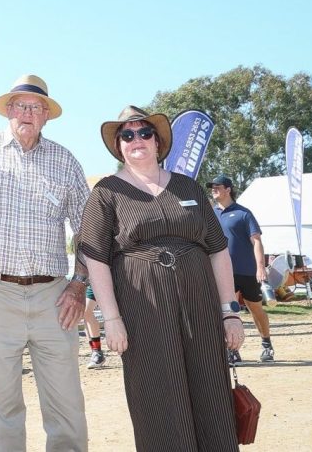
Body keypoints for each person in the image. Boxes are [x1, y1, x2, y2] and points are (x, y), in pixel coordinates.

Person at [78, 107, 243, 452]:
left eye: (144, 133)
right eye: (127, 135)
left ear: (158, 142)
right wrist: (111, 318)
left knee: (210, 388)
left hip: (199, 303)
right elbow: (95, 257)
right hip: (142, 307)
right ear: (119, 146)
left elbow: (217, 250)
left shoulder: (188, 187)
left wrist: (229, 312)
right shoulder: (106, 192)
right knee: (156, 392)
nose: (136, 139)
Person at [0, 74, 91, 452]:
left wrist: (79, 284)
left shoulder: (65, 161)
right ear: (8, 111)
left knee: (65, 402)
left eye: (35, 107)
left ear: (47, 115)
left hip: (54, 296)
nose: (27, 113)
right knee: (3, 403)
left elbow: (89, 230)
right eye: (19, 105)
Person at [206, 175, 275, 362]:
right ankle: (233, 350)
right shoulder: (210, 214)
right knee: (229, 312)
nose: (213, 189)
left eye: (217, 187)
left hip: (247, 271)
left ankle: (267, 344)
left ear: (228, 189)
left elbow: (256, 241)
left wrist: (261, 267)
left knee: (256, 310)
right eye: (212, 187)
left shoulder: (244, 213)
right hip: (224, 273)